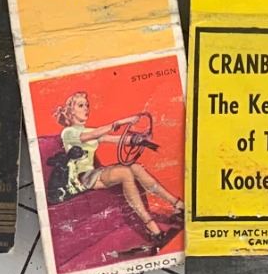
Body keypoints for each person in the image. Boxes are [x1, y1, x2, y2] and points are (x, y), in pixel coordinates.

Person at [51, 92, 182, 243]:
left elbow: (116, 139)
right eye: (81, 105)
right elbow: (93, 135)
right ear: (71, 111)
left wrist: (139, 139)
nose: (86, 108)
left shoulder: (89, 130)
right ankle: (152, 227)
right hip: (82, 178)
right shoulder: (68, 132)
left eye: (87, 105)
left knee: (136, 168)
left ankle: (178, 205)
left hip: (95, 173)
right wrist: (123, 121)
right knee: (125, 172)